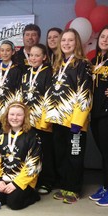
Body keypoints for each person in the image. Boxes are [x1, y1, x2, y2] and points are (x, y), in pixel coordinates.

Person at [41, 28, 93, 204]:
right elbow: (50, 93)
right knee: (61, 155)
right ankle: (65, 186)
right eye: (64, 40)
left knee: (74, 155)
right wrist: (47, 118)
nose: (66, 43)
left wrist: (78, 121)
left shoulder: (82, 64)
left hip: (74, 122)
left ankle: (74, 189)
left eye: (70, 40)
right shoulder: (57, 64)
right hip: (58, 120)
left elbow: (85, 94)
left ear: (76, 43)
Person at [0, 101, 42, 210]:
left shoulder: (32, 136)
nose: (15, 118)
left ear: (25, 117)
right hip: (4, 177)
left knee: (14, 203)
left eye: (19, 115)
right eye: (12, 114)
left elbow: (34, 165)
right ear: (7, 115)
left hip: (23, 179)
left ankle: (33, 195)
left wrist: (16, 184)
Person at [20, 43, 54, 194]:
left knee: (45, 151)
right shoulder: (27, 72)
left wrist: (44, 120)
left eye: (37, 55)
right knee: (32, 151)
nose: (33, 58)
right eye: (31, 55)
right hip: (28, 120)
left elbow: (50, 97)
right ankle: (34, 179)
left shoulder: (49, 72)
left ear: (44, 57)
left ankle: (48, 181)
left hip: (43, 120)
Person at [89, 25, 108, 207]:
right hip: (95, 113)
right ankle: (105, 185)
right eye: (103, 36)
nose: (105, 40)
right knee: (104, 152)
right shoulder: (95, 60)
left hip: (106, 113)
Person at [0, 40, 22, 121]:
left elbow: (19, 91)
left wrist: (15, 107)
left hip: (10, 108)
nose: (5, 53)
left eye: (8, 50)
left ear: (13, 52)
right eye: (2, 50)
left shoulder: (17, 70)